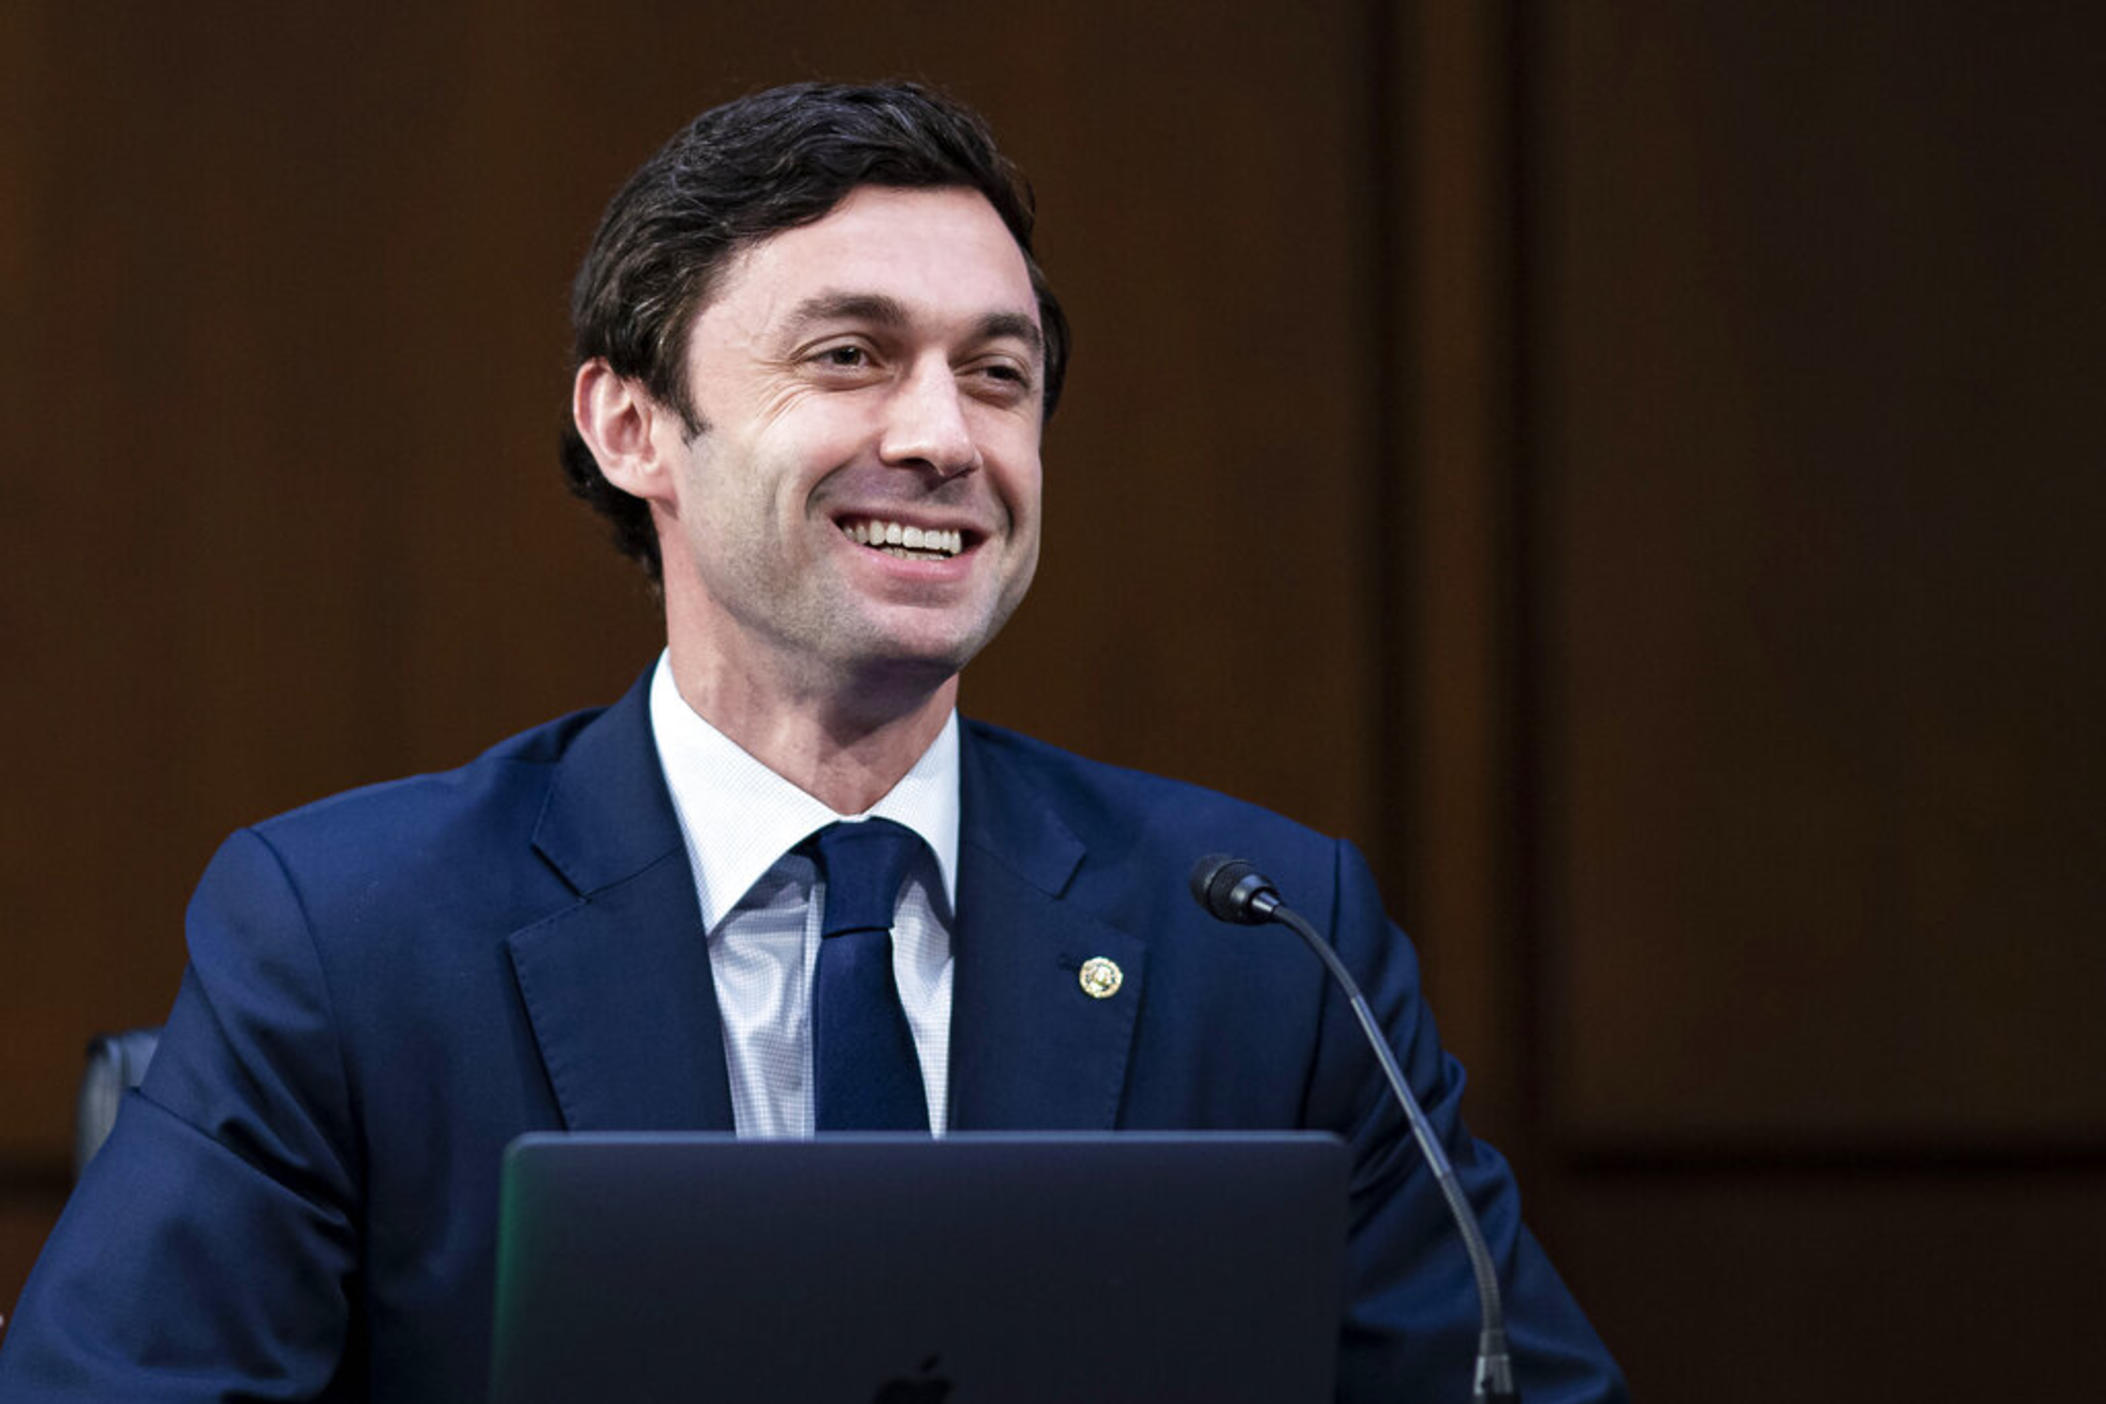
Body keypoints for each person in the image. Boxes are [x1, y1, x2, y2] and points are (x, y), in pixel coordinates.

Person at [0, 82, 1626, 1401]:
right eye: (849, 356)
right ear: (633, 426)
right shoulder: (349, 935)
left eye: (1001, 377)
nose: (943, 438)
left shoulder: (1271, 941)